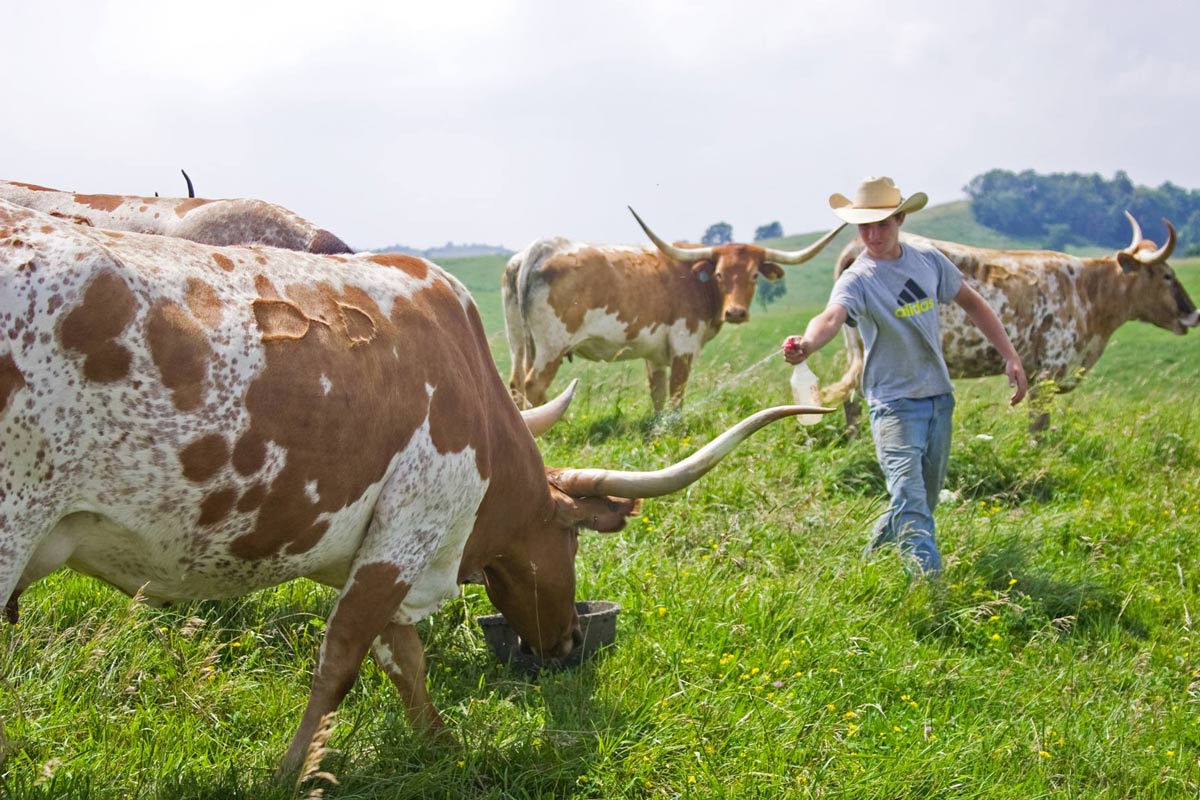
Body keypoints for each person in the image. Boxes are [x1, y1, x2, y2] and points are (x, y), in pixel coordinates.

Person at [783, 176, 1028, 574]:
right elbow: (831, 317)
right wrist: (807, 344)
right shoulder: (858, 279)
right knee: (912, 502)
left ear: (899, 219)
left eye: (882, 224)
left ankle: (867, 568)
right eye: (865, 226)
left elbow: (973, 303)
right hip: (892, 405)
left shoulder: (928, 261)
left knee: (917, 502)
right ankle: (928, 595)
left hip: (938, 400)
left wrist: (1010, 356)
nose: (873, 235)